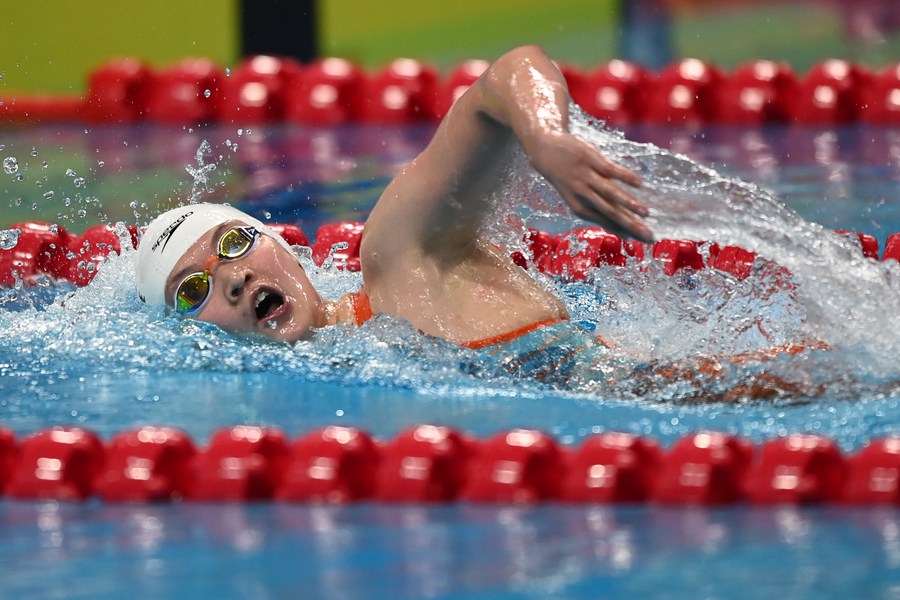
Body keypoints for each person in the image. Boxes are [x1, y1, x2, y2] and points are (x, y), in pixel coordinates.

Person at [134, 45, 814, 394]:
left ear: (280, 242)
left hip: (758, 386)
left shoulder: (400, 258)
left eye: (233, 243)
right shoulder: (345, 378)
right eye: (193, 290)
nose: (230, 279)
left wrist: (547, 141)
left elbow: (507, 74)